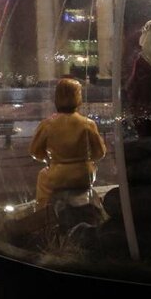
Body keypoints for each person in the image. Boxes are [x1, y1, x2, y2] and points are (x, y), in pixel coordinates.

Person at [29, 78, 107, 207]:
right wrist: (86, 160)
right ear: (78, 97)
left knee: (43, 178)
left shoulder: (47, 124)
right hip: (84, 175)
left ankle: (43, 212)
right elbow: (99, 152)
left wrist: (50, 161)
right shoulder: (87, 123)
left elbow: (35, 152)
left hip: (57, 176)